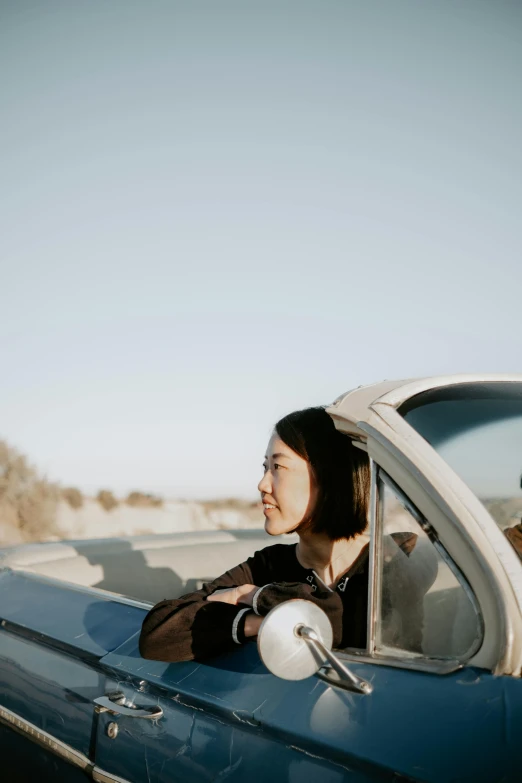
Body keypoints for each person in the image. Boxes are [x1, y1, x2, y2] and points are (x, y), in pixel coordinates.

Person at [139, 406, 425, 663]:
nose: (262, 484)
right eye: (265, 467)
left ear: (330, 478)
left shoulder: (387, 564)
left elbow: (333, 623)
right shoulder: (270, 564)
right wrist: (257, 623)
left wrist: (250, 594)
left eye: (278, 467)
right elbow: (157, 635)